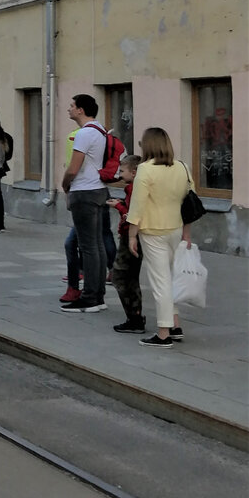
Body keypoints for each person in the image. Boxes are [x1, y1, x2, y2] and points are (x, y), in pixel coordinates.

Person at [126, 127, 192, 347]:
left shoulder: (145, 169)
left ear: (148, 145)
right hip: (175, 228)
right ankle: (175, 324)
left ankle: (163, 334)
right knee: (170, 279)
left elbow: (137, 205)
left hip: (152, 230)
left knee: (160, 282)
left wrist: (131, 235)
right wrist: (186, 233)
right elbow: (189, 202)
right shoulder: (182, 167)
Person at [60, 94, 109, 312]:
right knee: (97, 245)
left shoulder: (84, 134)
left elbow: (73, 168)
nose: (69, 109)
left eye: (72, 106)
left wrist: (65, 184)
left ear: (81, 110)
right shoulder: (100, 130)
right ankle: (98, 295)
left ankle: (89, 297)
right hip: (99, 190)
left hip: (84, 191)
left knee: (88, 247)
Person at [109, 154, 145, 333]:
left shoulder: (133, 188)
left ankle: (134, 317)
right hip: (137, 236)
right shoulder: (134, 188)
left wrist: (118, 206)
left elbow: (132, 214)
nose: (120, 175)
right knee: (132, 278)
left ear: (134, 172)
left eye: (122, 171)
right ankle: (136, 316)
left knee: (120, 276)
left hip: (130, 236)